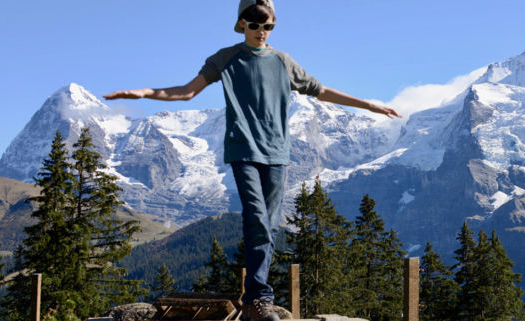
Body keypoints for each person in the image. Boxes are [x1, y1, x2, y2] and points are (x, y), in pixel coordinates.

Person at [104, 1, 401, 320]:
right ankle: (259, 299)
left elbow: (321, 90)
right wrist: (142, 93)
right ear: (242, 24)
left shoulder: (283, 62)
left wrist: (369, 105)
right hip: (242, 149)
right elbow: (187, 92)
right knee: (257, 217)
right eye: (256, 25)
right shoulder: (226, 58)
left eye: (268, 26)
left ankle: (255, 303)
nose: (262, 32)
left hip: (277, 153)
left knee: (269, 225)